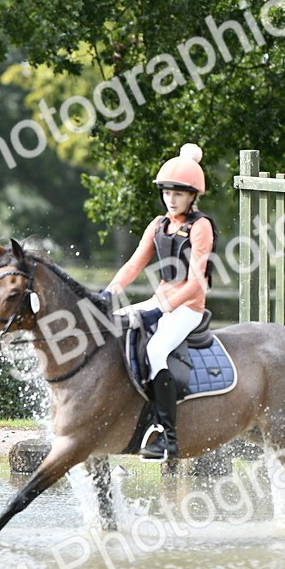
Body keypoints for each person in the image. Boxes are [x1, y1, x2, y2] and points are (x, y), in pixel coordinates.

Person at [102, 143, 217, 462]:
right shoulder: (158, 225)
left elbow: (196, 282)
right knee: (110, 328)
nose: (171, 198)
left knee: (155, 350)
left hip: (188, 309)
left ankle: (168, 436)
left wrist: (161, 309)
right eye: (167, 192)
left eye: (178, 193)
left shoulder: (201, 227)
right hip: (160, 300)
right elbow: (135, 264)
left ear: (193, 196)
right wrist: (109, 292)